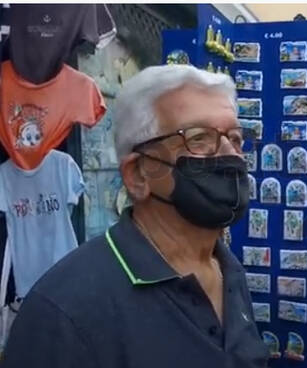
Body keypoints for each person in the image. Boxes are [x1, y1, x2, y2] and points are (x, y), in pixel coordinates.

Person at [0, 65, 269, 367]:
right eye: (198, 138)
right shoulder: (64, 313)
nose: (230, 154)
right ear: (138, 174)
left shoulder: (229, 272)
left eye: (235, 138)